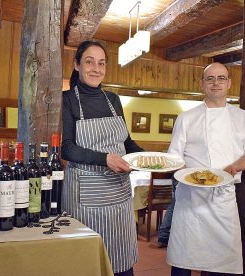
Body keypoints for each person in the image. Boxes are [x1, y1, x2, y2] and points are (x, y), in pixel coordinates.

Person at [166, 62, 245, 275]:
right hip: (190, 198)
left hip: (223, 198)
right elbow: (174, 157)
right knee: (183, 259)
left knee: (222, 260)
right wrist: (188, 173)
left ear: (229, 83)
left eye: (221, 78)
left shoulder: (244, 118)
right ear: (202, 84)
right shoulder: (186, 118)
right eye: (210, 78)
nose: (216, 83)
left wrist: (234, 167)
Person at [61, 40, 143, 276]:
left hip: (119, 194)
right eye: (89, 62)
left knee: (121, 262)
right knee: (87, 264)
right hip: (85, 196)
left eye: (101, 63)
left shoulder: (113, 99)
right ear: (77, 65)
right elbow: (67, 149)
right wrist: (105, 159)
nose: (96, 68)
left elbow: (126, 142)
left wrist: (151, 157)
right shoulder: (67, 100)